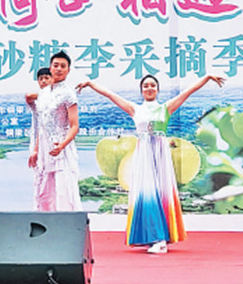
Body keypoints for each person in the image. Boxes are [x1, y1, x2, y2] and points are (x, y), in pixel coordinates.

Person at [77, 74, 224, 254]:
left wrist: (207, 78)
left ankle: (160, 239)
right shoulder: (135, 109)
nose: (149, 88)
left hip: (160, 155)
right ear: (141, 90)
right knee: (147, 195)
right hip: (144, 156)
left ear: (158, 89)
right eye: (145, 85)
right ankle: (152, 236)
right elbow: (110, 95)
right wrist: (91, 84)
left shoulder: (165, 108)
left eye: (152, 85)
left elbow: (189, 91)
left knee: (161, 194)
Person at [27, 52, 81, 211]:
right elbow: (42, 126)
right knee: (45, 190)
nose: (58, 69)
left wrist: (62, 145)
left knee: (64, 190)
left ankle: (67, 224)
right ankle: (44, 224)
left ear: (68, 70)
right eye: (55, 65)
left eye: (63, 66)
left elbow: (74, 126)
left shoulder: (68, 94)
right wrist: (36, 150)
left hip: (61, 148)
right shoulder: (43, 93)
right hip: (44, 149)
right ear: (50, 68)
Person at [25, 67, 52, 210]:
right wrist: (48, 93)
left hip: (53, 144)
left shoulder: (58, 99)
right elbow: (28, 97)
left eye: (47, 78)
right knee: (39, 177)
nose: (44, 81)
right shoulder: (38, 100)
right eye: (41, 79)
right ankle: (39, 210)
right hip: (37, 142)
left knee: (52, 178)